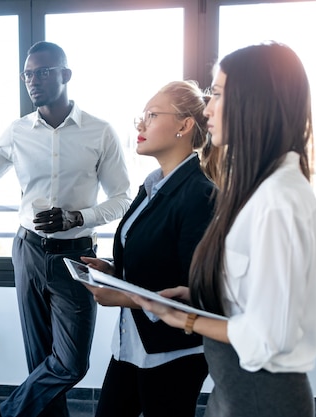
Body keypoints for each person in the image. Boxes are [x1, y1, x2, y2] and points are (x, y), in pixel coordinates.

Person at [129, 42, 316, 417]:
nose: (208, 108)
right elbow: (257, 298)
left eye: (216, 94)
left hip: (263, 400)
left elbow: (269, 339)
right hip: (234, 393)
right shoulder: (260, 189)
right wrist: (204, 294)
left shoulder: (279, 199)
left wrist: (187, 319)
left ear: (255, 102)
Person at [0, 41, 131, 417]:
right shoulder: (18, 131)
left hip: (74, 255)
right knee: (39, 358)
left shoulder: (99, 132)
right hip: (28, 251)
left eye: (42, 72)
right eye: (27, 74)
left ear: (65, 75)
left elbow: (122, 198)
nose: (32, 80)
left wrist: (79, 217)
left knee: (71, 363)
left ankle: (5, 413)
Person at [81, 80, 218, 417]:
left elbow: (196, 289)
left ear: (184, 126)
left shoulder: (199, 195)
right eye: (141, 117)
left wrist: (120, 296)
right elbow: (155, 259)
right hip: (134, 342)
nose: (141, 125)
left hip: (172, 350)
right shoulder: (152, 186)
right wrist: (114, 272)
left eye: (152, 115)